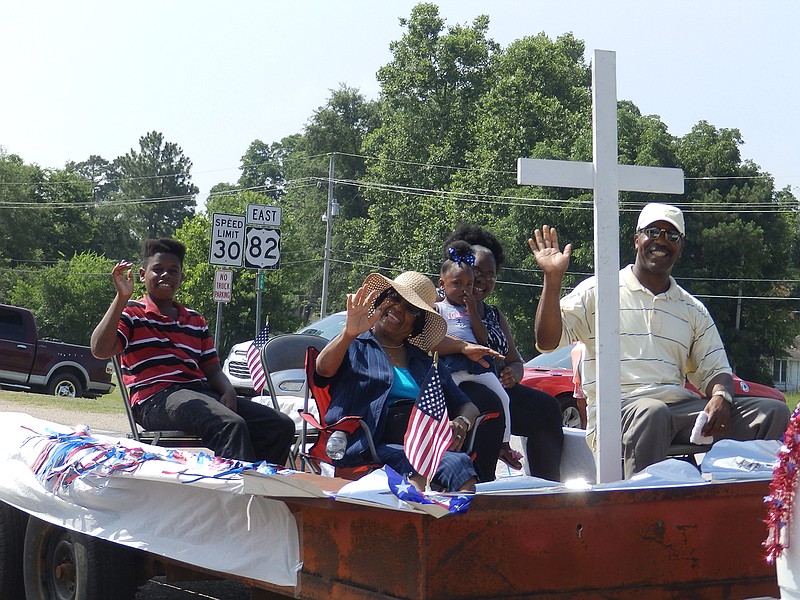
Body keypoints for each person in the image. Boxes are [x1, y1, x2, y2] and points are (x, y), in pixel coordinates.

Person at [530, 203, 790, 479]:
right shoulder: (599, 291)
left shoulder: (691, 308)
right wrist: (552, 279)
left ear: (681, 246)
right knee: (652, 413)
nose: (662, 241)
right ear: (636, 239)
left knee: (773, 412)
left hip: (678, 411)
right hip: (620, 411)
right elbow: (547, 341)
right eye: (653, 232)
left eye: (672, 236)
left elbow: (716, 370)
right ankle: (641, 513)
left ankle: (748, 512)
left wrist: (720, 396)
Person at [91, 238, 295, 464]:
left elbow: (212, 369)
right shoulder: (132, 313)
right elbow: (100, 349)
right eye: (157, 270)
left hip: (201, 393)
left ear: (181, 277)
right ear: (142, 274)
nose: (165, 275)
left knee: (280, 425)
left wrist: (228, 389)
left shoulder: (195, 319)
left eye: (173, 270)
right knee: (229, 425)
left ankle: (261, 488)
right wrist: (122, 297)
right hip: (156, 399)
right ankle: (235, 492)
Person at [314, 271, 485, 492]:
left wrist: (462, 421)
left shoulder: (425, 361)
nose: (398, 308)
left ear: (418, 323)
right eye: (394, 297)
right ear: (382, 299)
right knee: (425, 467)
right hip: (368, 443)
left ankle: (458, 523)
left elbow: (468, 405)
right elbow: (322, 370)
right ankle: (416, 520)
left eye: (410, 309)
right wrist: (348, 333)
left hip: (420, 441)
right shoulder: (355, 344)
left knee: (459, 463)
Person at [443, 224, 564, 481]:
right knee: (488, 401)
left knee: (548, 408)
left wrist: (514, 374)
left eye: (491, 275)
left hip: (498, 386)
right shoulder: (444, 308)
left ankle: (545, 488)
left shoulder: (494, 314)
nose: (483, 282)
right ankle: (482, 483)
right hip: (458, 386)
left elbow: (514, 361)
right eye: (477, 273)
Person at [435, 241, 521, 471]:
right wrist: (462, 347)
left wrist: (473, 313)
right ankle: (443, 440)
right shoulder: (437, 308)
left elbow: (484, 340)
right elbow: (430, 342)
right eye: (458, 283)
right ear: (442, 284)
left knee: (503, 398)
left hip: (479, 366)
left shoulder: (481, 311)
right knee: (446, 399)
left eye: (469, 283)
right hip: (451, 365)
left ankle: (504, 443)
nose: (466, 289)